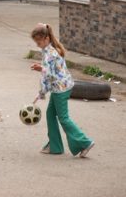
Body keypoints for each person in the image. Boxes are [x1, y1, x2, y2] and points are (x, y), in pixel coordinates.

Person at [31, 23, 94, 158]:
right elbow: (50, 71)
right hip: (61, 87)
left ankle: (85, 142)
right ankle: (55, 146)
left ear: (46, 38)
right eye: (36, 42)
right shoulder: (51, 49)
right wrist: (42, 68)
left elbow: (47, 75)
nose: (37, 45)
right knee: (50, 114)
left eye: (38, 41)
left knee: (64, 118)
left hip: (60, 89)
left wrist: (41, 93)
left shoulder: (49, 53)